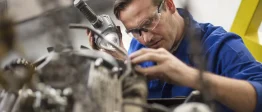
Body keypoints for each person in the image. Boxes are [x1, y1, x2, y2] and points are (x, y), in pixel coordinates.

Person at [87, 0, 262, 111]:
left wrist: (191, 77)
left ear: (169, 5)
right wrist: (121, 62)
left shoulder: (223, 47)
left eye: (149, 22)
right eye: (135, 31)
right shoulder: (138, 45)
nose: (146, 38)